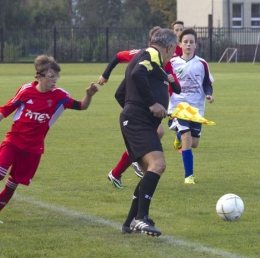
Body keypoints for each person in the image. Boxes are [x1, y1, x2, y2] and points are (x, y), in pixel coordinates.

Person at [0, 55, 99, 223]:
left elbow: (81, 106)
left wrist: (89, 95)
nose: (55, 80)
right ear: (39, 77)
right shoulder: (25, 91)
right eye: (51, 76)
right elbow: (6, 110)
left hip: (33, 148)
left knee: (13, 183)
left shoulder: (60, 96)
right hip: (14, 142)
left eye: (57, 76)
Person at [119, 28, 180, 236]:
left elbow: (121, 93)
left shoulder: (142, 59)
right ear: (169, 47)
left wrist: (133, 110)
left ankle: (129, 223)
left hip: (136, 120)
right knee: (158, 164)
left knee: (149, 172)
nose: (173, 54)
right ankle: (140, 218)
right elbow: (137, 75)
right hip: (139, 121)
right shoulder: (152, 54)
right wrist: (150, 104)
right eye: (174, 50)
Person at [98, 26, 165, 189]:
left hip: (148, 105)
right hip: (138, 104)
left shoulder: (165, 57)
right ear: (151, 42)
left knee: (157, 133)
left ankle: (117, 172)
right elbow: (118, 56)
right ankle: (129, 164)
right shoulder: (142, 54)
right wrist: (105, 75)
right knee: (157, 133)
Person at [167, 28, 214, 184]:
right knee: (187, 137)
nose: (188, 44)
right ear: (180, 44)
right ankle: (189, 176)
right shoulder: (172, 63)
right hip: (178, 107)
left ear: (196, 45)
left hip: (196, 108)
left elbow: (207, 83)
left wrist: (209, 94)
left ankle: (178, 136)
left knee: (194, 143)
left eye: (191, 42)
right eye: (185, 41)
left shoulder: (201, 63)